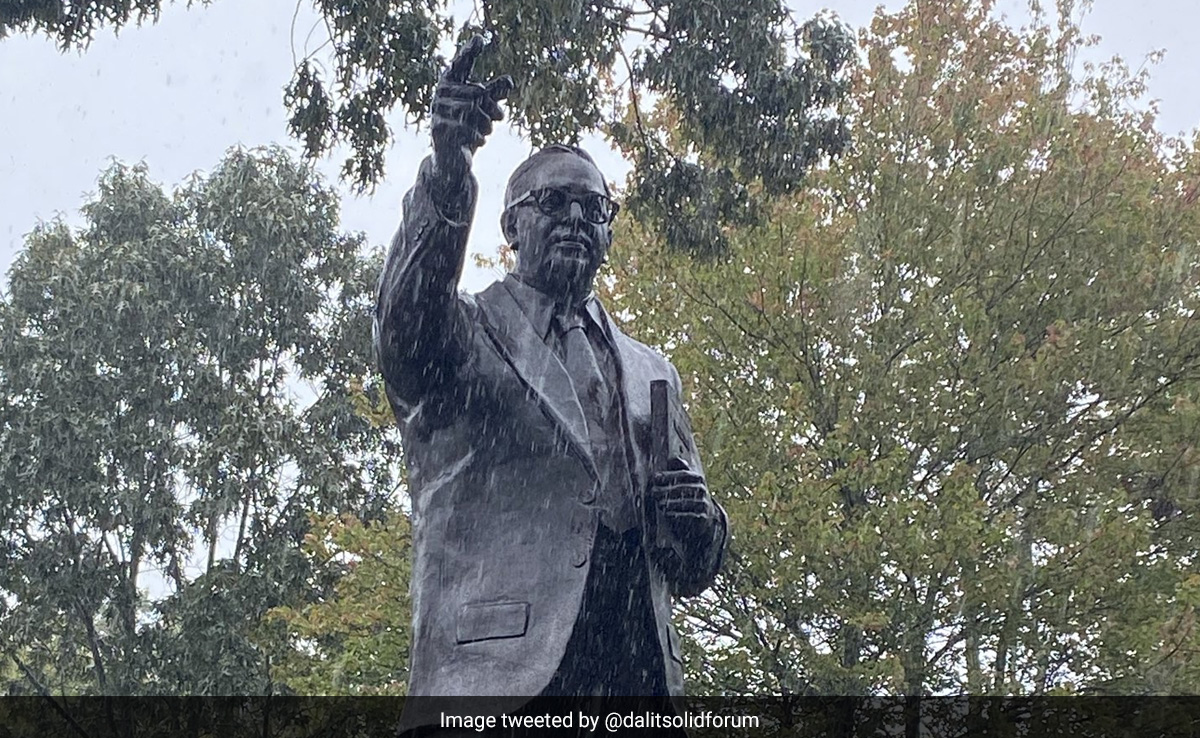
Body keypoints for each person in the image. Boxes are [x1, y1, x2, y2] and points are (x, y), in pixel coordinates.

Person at [374, 36, 728, 733]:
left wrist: (702, 524)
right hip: (497, 677)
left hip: (635, 677)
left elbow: (691, 567)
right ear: (512, 226)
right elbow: (404, 325)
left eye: (593, 209)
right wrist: (448, 172)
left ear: (608, 232)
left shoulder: (654, 371)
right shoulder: (463, 335)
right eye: (554, 202)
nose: (575, 219)